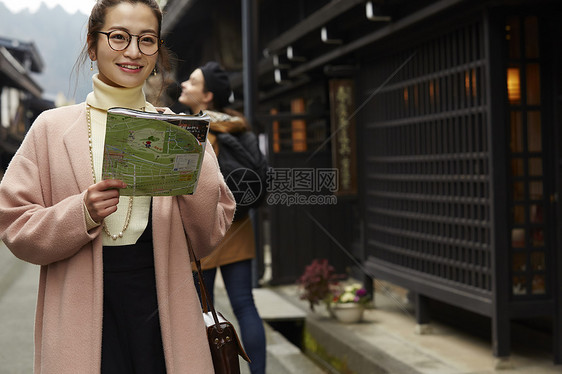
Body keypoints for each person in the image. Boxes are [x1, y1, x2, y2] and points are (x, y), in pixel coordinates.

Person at [0, 1, 236, 373]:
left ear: (158, 51)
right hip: (79, 306)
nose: (133, 51)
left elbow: (209, 234)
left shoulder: (175, 128)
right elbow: (14, 224)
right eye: (119, 37)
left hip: (163, 301)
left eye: (147, 40)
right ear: (93, 46)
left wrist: (193, 158)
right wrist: (81, 212)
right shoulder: (51, 128)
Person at [178, 61, 267, 374]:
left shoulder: (196, 131)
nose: (184, 85)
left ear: (207, 96)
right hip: (239, 227)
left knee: (201, 313)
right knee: (245, 304)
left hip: (203, 232)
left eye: (192, 82)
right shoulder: (238, 125)